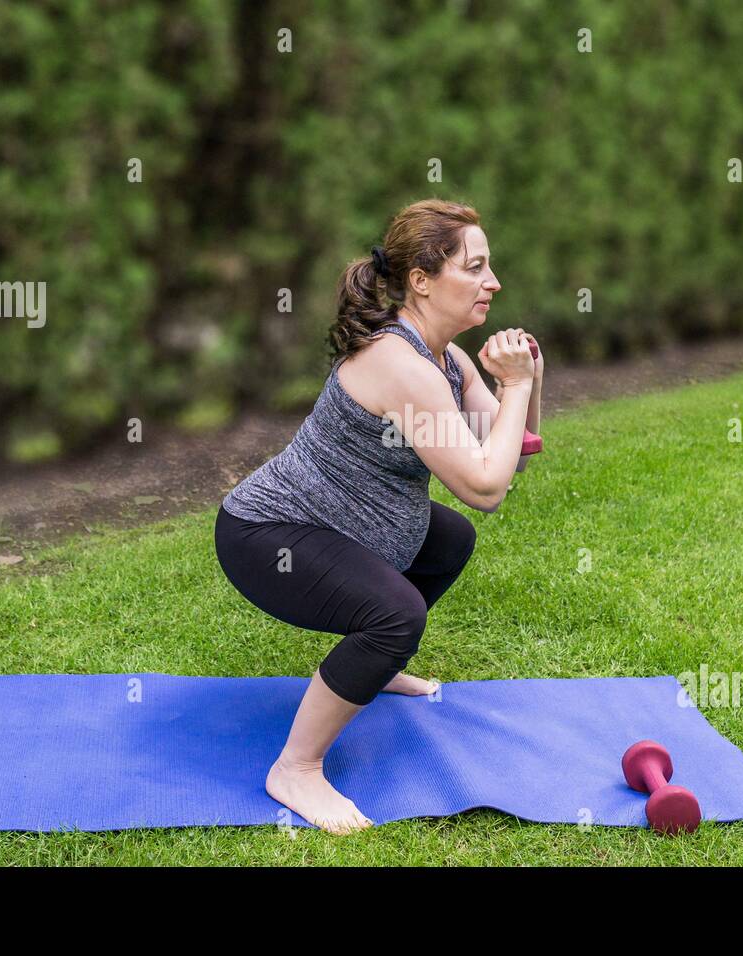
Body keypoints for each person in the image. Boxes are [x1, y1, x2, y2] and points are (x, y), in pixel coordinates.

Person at [214, 198, 545, 833]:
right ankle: (296, 769)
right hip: (266, 533)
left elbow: (512, 458)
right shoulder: (402, 367)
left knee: (449, 540)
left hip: (348, 526)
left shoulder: (448, 361)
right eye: (475, 268)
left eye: (490, 267)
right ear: (421, 279)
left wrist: (526, 380)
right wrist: (517, 389)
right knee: (397, 613)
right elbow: (483, 484)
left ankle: (375, 665)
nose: (493, 283)